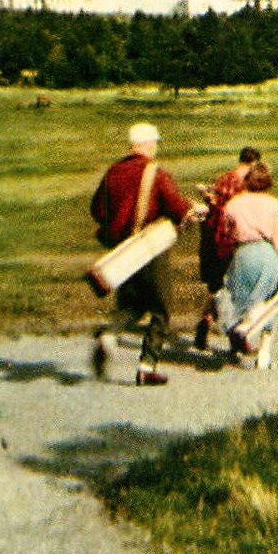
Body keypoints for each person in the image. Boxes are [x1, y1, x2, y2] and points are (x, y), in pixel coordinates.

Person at [90, 122, 202, 385]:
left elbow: (97, 210)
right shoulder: (155, 173)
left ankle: (108, 334)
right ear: (148, 144)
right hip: (151, 247)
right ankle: (146, 366)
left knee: (132, 304)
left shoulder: (113, 172)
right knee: (161, 308)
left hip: (122, 250)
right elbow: (176, 208)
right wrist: (192, 208)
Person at [216, 161, 278, 369]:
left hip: (242, 254)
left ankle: (236, 346)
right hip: (267, 253)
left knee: (239, 299)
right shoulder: (275, 204)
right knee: (271, 303)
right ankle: (264, 354)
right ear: (268, 182)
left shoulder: (233, 204)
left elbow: (227, 234)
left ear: (247, 182)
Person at [193, 146, 261, 350]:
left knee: (219, 287)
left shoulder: (223, 179)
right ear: (253, 163)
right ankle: (235, 338)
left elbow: (213, 207)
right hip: (230, 241)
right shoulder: (246, 186)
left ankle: (206, 320)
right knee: (235, 288)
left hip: (212, 240)